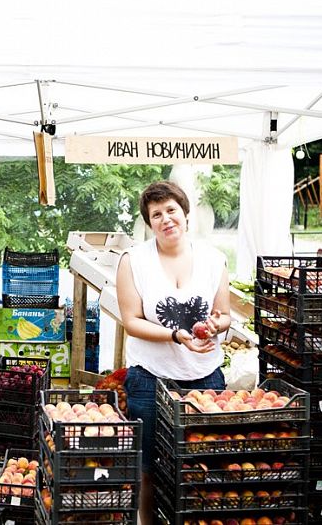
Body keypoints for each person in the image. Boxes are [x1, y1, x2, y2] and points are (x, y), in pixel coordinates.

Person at [116, 180, 231, 525]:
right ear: (149, 222)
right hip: (150, 379)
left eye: (171, 210)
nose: (166, 219)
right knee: (149, 467)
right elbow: (131, 321)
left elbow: (224, 314)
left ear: (185, 214)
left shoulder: (213, 259)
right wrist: (175, 335)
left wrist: (214, 325)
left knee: (201, 465)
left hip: (206, 379)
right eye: (156, 214)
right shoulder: (133, 261)